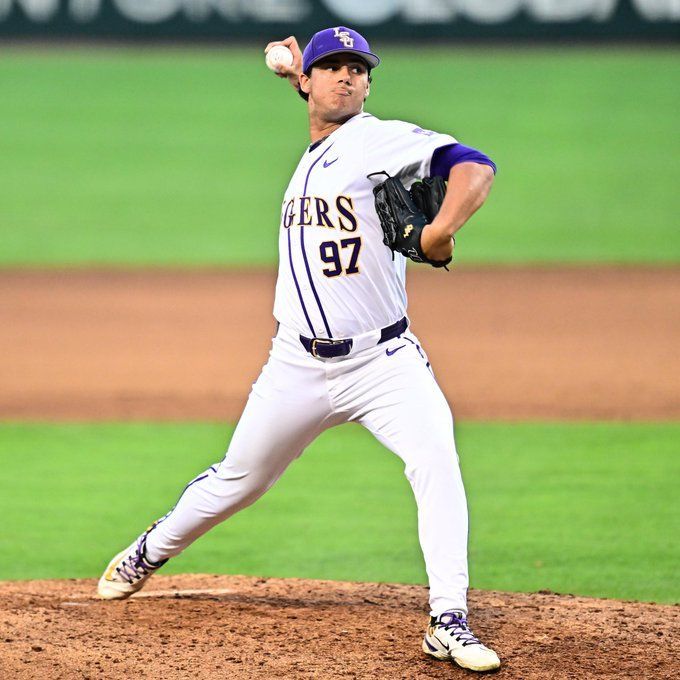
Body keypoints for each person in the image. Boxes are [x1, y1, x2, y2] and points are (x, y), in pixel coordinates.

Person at [97, 26, 500, 673]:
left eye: (357, 69)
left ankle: (448, 618)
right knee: (239, 480)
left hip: (384, 363)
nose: (346, 76)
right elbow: (322, 114)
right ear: (310, 82)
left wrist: (440, 231)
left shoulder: (380, 140)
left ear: (369, 85)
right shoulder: (323, 143)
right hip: (296, 365)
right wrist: (295, 73)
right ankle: (151, 549)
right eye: (332, 66)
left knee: (437, 462)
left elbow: (476, 166)